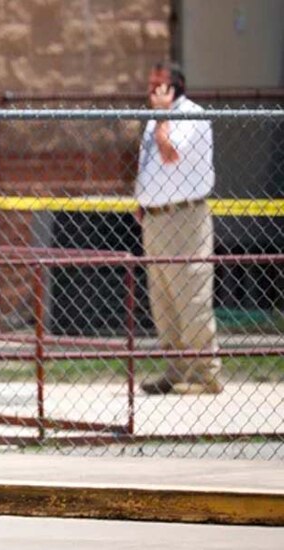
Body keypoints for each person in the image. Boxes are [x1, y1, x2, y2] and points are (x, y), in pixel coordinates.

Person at [135, 62, 222, 395]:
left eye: (158, 85)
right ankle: (177, 371)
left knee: (192, 296)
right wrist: (142, 198)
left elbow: (170, 153)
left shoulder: (190, 116)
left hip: (184, 219)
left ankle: (206, 375)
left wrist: (161, 116)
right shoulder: (158, 118)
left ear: (174, 88)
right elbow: (153, 164)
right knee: (164, 300)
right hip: (155, 219)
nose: (151, 91)